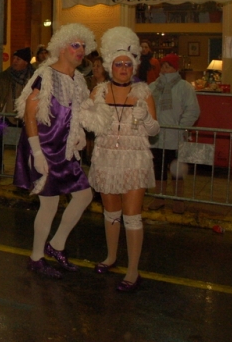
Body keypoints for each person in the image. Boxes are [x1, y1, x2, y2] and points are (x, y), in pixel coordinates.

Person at [79, 26, 159, 292]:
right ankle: (112, 256)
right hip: (106, 158)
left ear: (133, 66)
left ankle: (133, 270)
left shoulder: (143, 93)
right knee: (111, 212)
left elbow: (154, 131)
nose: (123, 68)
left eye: (128, 64)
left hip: (135, 159)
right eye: (118, 64)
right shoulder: (99, 92)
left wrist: (145, 117)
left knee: (132, 215)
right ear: (110, 66)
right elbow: (89, 125)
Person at [13, 23, 96, 279]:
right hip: (45, 147)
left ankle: (56, 245)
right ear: (61, 48)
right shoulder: (45, 75)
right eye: (75, 45)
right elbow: (29, 113)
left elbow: (77, 112)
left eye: (83, 46)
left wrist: (79, 134)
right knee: (49, 206)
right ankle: (37, 258)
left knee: (84, 196)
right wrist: (36, 152)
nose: (80, 50)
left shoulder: (79, 79)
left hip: (65, 150)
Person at [148, 53, 200, 214]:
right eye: (162, 65)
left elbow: (193, 109)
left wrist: (181, 126)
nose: (164, 69)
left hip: (175, 135)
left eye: (168, 66)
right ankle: (159, 197)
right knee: (158, 168)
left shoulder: (184, 87)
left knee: (177, 170)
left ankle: (178, 199)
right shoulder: (153, 86)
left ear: (175, 68)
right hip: (157, 136)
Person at [0, 47, 33, 178]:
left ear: (26, 62)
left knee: (29, 141)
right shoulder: (5, 76)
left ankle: (27, 172)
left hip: (28, 117)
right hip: (10, 115)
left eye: (18, 59)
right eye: (14, 58)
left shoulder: (34, 77)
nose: (15, 61)